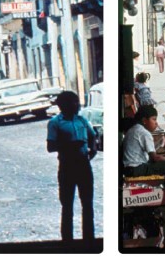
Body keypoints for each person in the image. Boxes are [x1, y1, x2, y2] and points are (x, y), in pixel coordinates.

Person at [47, 91, 97, 242]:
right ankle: (67, 241)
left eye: (77, 102)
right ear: (63, 106)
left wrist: (93, 149)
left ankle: (89, 239)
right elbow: (50, 146)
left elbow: (92, 135)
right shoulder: (55, 123)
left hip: (83, 165)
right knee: (67, 206)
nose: (77, 105)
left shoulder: (82, 120)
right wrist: (70, 145)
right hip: (67, 166)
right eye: (73, 102)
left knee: (87, 204)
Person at [122, 105, 165, 187]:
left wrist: (158, 144)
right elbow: (155, 158)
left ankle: (164, 188)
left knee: (164, 165)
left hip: (130, 169)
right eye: (154, 119)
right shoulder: (144, 133)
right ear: (144, 120)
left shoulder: (134, 129)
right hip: (137, 169)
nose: (156, 123)